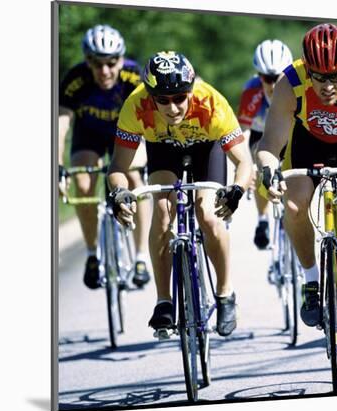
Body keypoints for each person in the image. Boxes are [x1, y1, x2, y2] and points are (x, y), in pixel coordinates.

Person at [107, 51, 253, 336]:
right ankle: (163, 301)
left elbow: (243, 161)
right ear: (151, 97)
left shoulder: (212, 103)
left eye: (179, 98)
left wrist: (236, 189)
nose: (172, 107)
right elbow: (117, 167)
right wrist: (120, 192)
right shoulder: (135, 106)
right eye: (162, 100)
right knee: (161, 214)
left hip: (205, 150)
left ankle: (225, 293)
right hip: (163, 151)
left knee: (208, 216)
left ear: (190, 91)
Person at [256, 23, 337, 339]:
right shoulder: (290, 83)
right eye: (319, 76)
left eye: (336, 76)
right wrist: (269, 171)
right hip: (307, 142)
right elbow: (269, 146)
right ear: (306, 69)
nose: (328, 85)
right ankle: (311, 280)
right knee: (295, 204)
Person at [58, 24, 151, 289]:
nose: (105, 71)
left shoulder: (134, 76)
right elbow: (61, 125)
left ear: (121, 59)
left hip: (127, 135)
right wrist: (57, 166)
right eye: (97, 64)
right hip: (89, 135)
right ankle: (91, 254)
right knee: (84, 186)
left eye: (111, 63)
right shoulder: (75, 80)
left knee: (135, 178)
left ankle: (141, 256)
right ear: (87, 61)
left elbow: (151, 117)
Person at [237, 39, 293, 249]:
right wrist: (247, 166)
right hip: (261, 134)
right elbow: (242, 132)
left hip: (289, 133)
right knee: (261, 172)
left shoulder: (295, 88)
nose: (271, 85)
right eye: (266, 78)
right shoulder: (252, 90)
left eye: (276, 78)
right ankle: (263, 219)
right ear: (258, 76)